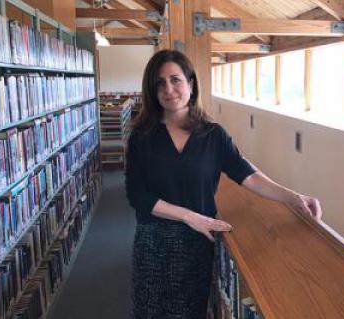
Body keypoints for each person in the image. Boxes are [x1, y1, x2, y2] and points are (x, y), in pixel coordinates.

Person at [125, 49, 322, 319]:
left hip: (198, 243)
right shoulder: (141, 136)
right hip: (153, 242)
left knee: (190, 311)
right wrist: (189, 216)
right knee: (149, 312)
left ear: (191, 84)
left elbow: (247, 174)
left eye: (175, 79)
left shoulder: (212, 135)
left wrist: (293, 197)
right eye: (160, 83)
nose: (169, 89)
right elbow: (137, 196)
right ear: (152, 90)